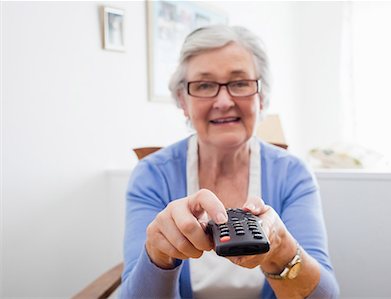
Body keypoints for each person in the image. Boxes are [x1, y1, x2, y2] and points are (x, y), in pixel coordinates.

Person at [120, 25, 339, 299]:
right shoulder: (152, 174)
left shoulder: (293, 174)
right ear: (183, 101)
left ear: (261, 97)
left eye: (239, 83)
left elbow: (325, 296)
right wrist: (158, 253)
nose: (223, 101)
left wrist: (281, 246)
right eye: (204, 85)